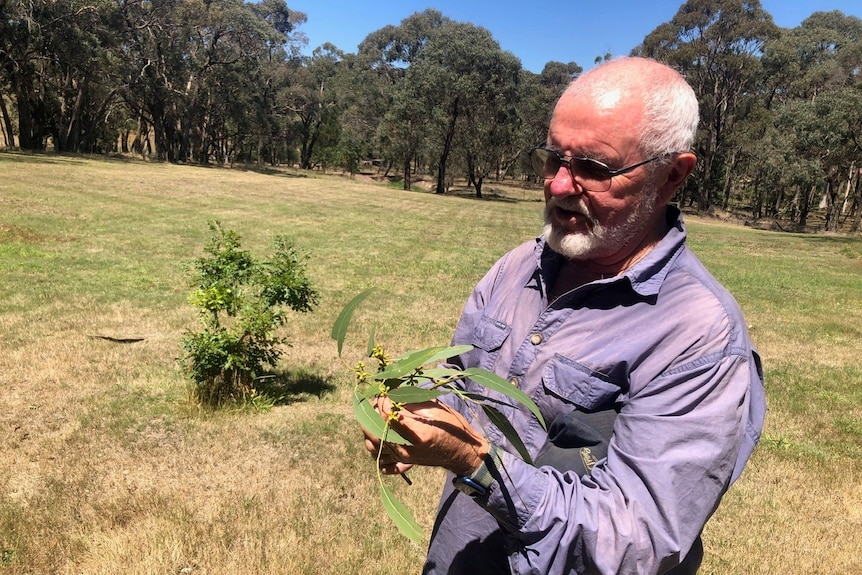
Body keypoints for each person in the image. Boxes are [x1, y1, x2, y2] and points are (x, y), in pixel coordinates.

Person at [365, 56, 766, 575]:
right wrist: (411, 418)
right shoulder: (517, 267)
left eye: (594, 169)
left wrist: (473, 462)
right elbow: (460, 387)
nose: (557, 185)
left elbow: (637, 539)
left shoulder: (699, 336)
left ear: (671, 176)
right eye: (554, 159)